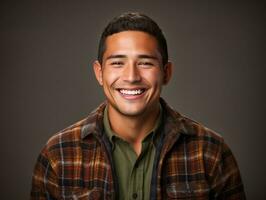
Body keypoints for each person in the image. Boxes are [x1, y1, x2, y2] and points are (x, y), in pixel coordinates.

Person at [30, 12, 246, 200]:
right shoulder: (57, 155)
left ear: (166, 73)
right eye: (117, 63)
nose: (131, 77)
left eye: (145, 62)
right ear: (99, 73)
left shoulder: (210, 151)